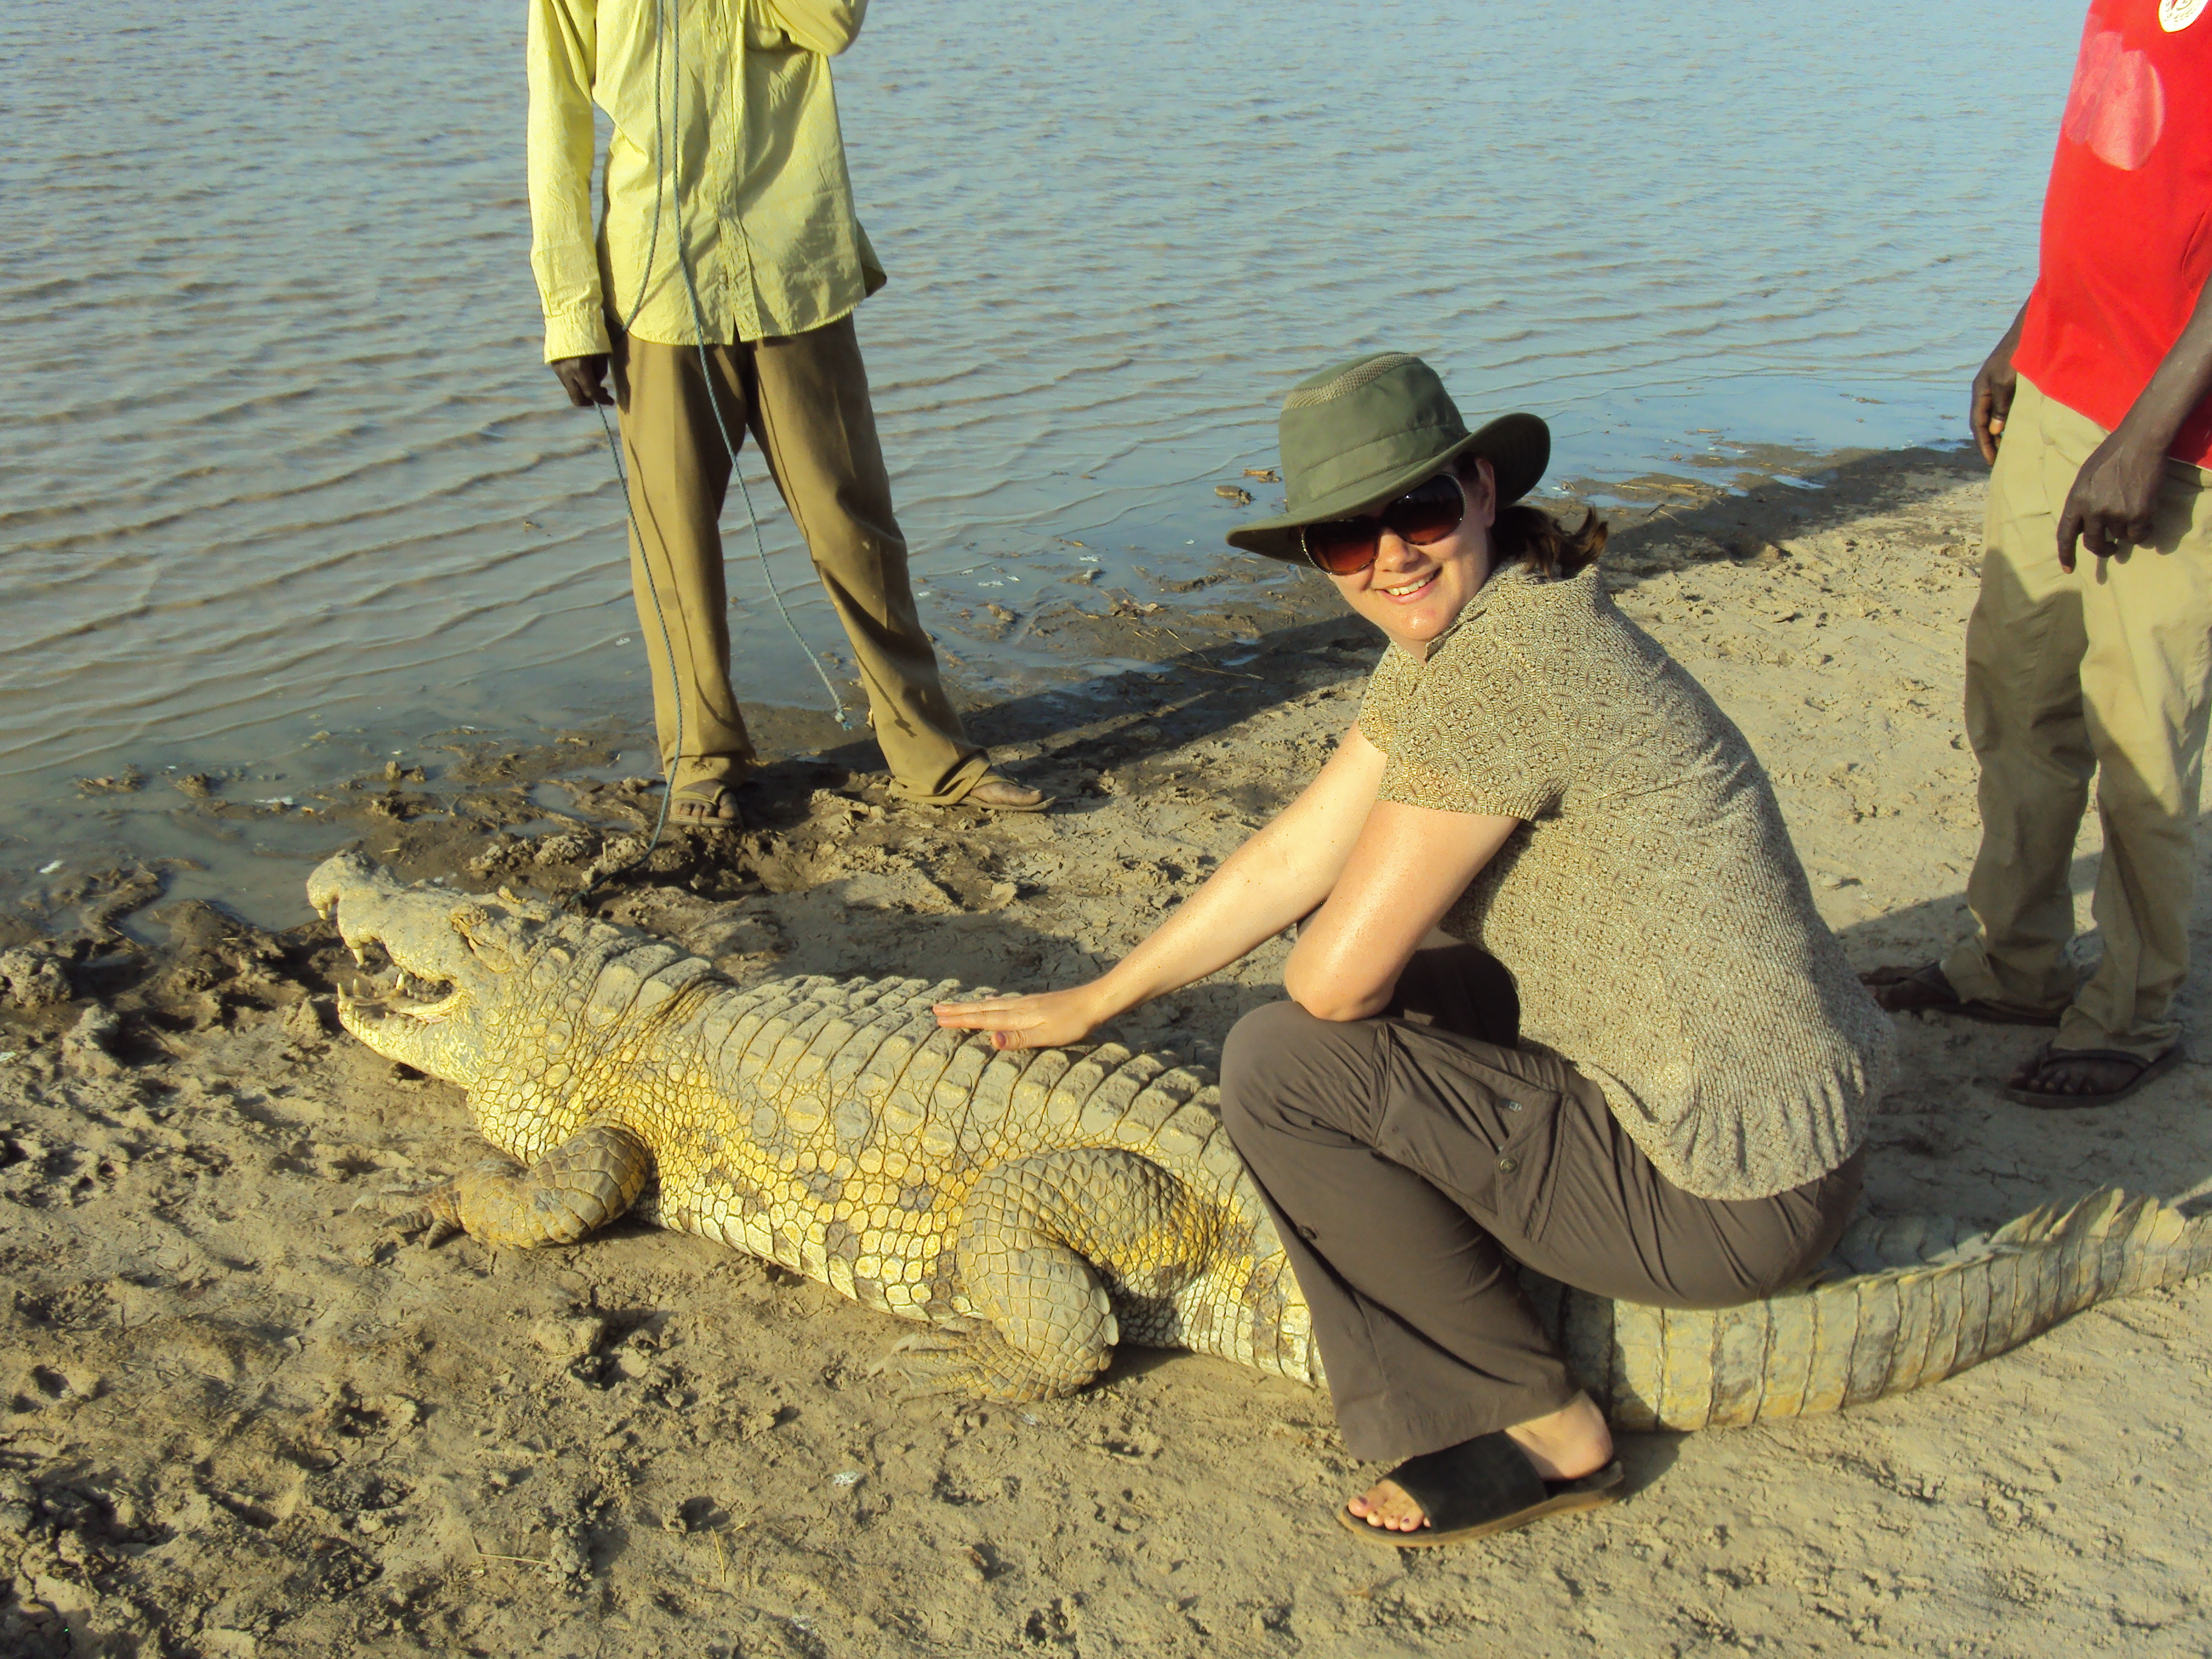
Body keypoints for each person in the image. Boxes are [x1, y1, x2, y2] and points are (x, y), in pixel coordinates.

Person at [934, 352, 1892, 1546]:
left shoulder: (1510, 668)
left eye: (1420, 510)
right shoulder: (1504, 616)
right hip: (1793, 1127)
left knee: (1280, 1065)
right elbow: (1301, 849)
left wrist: (1342, 946)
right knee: (1414, 945)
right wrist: (1104, 995)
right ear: (1316, 556)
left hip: (1729, 1194)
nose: (1391, 556)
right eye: (1346, 536)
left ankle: (1548, 1431)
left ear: (1482, 490)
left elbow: (1327, 983)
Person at [526, 0, 1044, 823]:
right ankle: (702, 760)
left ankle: (933, 756)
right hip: (657, 287)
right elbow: (555, 130)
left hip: (796, 266)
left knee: (853, 526)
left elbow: (833, 25)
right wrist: (569, 312)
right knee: (676, 544)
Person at [1864, 0, 2211, 1107]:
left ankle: (2133, 1009)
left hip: (2178, 436)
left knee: (2140, 736)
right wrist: (2028, 329)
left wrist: (2147, 438)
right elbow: (2113, 184)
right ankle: (2011, 964)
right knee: (2018, 698)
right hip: (2064, 388)